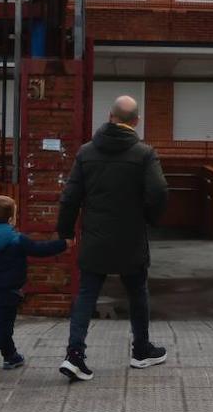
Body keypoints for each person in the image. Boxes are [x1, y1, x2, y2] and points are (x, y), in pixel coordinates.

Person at [56, 96, 170, 382]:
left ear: (109, 116)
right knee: (136, 293)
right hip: (131, 236)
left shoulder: (86, 152)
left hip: (95, 236)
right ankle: (141, 350)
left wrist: (66, 232)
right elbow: (158, 191)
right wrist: (150, 219)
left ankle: (75, 355)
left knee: (86, 295)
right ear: (137, 121)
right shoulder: (144, 154)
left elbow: (70, 197)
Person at [0, 195, 73, 381]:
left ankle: (11, 356)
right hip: (10, 291)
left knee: (1, 325)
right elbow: (39, 249)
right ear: (11, 219)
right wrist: (64, 244)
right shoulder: (16, 239)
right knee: (3, 327)